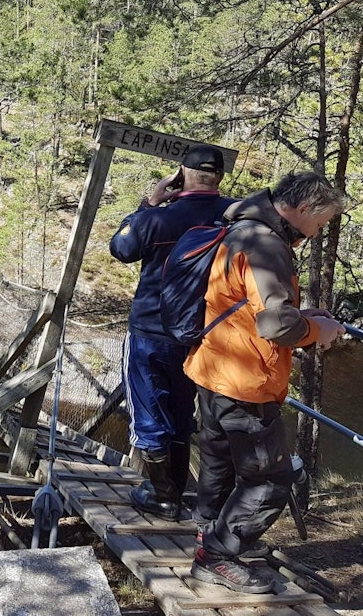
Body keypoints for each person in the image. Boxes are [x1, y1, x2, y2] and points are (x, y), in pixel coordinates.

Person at [186, 171, 347, 594]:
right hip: (246, 381)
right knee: (272, 479)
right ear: (304, 209)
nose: (317, 232)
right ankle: (217, 556)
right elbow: (276, 324)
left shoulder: (240, 228)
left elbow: (248, 304)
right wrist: (317, 332)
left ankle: (208, 533)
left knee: (218, 460)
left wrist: (305, 317)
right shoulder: (267, 245)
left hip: (214, 367)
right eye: (321, 222)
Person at [109, 146, 235, 521]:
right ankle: (177, 491)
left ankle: (162, 495)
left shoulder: (159, 218)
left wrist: (149, 203)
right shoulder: (233, 216)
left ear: (182, 174)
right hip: (200, 335)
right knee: (183, 412)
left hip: (149, 331)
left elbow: (122, 248)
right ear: (220, 177)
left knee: (148, 410)